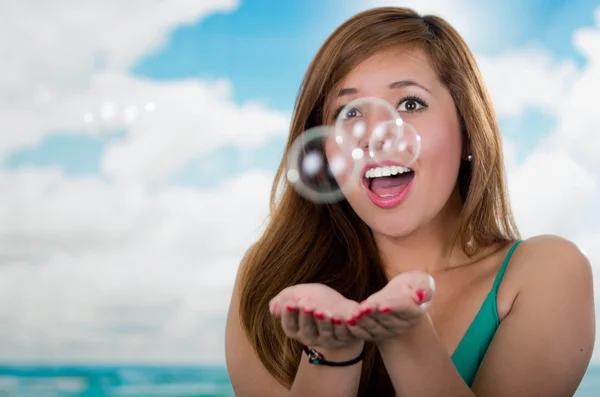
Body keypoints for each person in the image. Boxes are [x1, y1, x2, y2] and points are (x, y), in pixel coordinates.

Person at [225, 6, 595, 397]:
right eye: (347, 112)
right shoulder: (268, 277)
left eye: (410, 104)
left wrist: (408, 338)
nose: (376, 135)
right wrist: (332, 353)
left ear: (468, 133)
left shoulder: (547, 272)